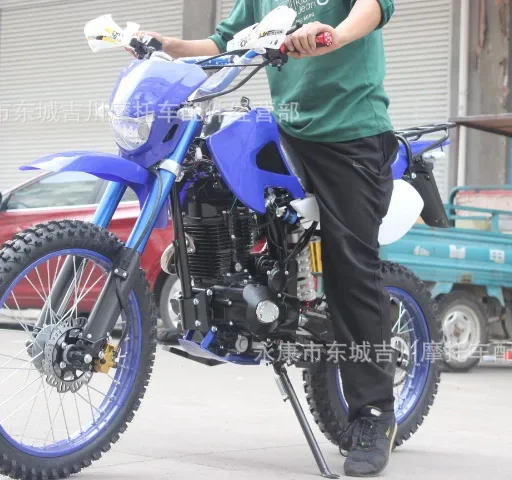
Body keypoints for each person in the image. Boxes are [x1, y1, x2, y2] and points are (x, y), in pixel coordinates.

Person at [140, 0, 398, 476]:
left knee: (350, 269)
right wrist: (169, 46)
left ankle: (375, 413)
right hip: (288, 129)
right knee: (215, 192)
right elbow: (224, 41)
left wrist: (335, 35)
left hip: (351, 134)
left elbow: (375, 8)